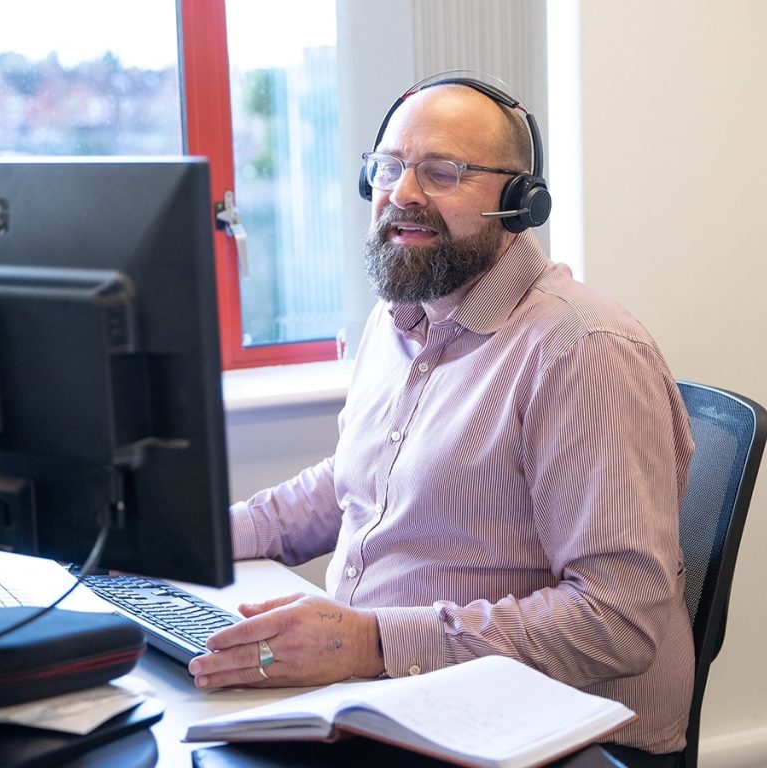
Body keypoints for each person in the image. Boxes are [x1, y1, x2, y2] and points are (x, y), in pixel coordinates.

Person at [188, 72, 695, 765]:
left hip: (547, 735)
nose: (402, 194)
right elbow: (352, 484)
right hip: (391, 701)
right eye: (389, 168)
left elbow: (617, 619)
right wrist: (195, 538)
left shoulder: (581, 349)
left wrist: (368, 642)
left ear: (520, 205)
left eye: (443, 172)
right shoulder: (401, 318)